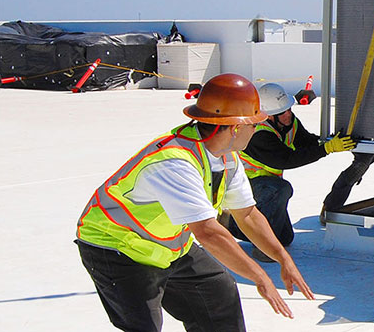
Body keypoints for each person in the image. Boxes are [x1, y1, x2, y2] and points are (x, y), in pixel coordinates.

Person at [75, 74, 314, 331]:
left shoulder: (227, 156)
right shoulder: (175, 162)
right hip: (115, 248)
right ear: (235, 127)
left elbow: (247, 215)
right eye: (253, 124)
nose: (256, 129)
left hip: (166, 247)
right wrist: (259, 276)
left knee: (218, 295)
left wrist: (283, 259)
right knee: (143, 326)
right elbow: (208, 233)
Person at [228, 83, 355, 261]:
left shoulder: (288, 121)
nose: (288, 114)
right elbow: (286, 159)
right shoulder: (258, 133)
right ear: (268, 116)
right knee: (281, 189)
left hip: (264, 185)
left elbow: (305, 142)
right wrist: (326, 149)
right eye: (282, 112)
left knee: (286, 238)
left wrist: (327, 142)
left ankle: (234, 225)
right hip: (242, 186)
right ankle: (263, 247)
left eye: (288, 109)